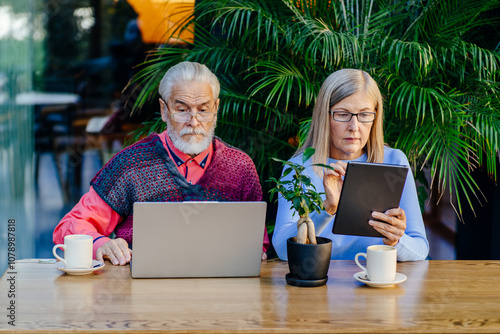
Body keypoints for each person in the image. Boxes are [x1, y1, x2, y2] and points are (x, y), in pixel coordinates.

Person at [54, 61, 269, 265]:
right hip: (142, 296)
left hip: (222, 296)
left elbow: (258, 244)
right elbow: (67, 229)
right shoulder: (130, 165)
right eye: (182, 109)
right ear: (164, 110)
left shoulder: (241, 168)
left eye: (203, 110)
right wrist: (101, 244)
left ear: (216, 109)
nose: (194, 122)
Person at [272, 69, 429, 261]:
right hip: (320, 283)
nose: (354, 127)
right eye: (342, 114)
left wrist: (396, 240)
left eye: (364, 115)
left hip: (377, 283)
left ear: (375, 116)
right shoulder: (299, 168)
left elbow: (420, 249)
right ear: (325, 116)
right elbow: (282, 249)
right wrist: (326, 209)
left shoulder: (394, 161)